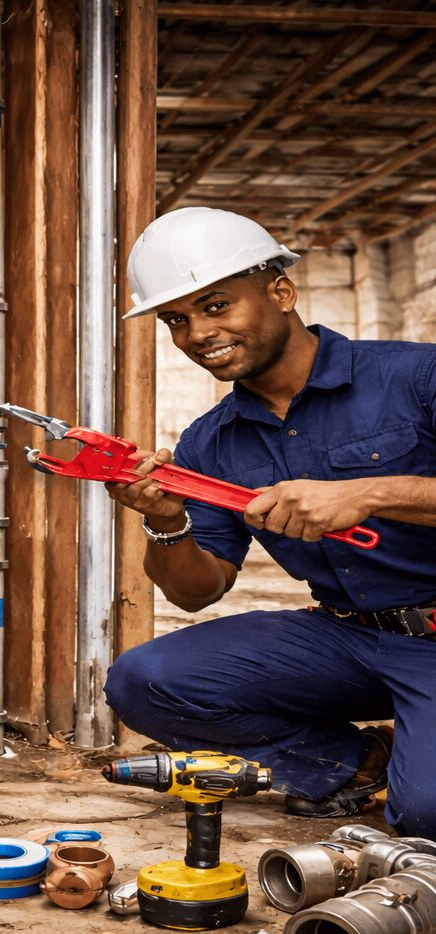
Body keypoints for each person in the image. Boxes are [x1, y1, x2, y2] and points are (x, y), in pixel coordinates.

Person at [103, 206, 436, 838]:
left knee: (424, 817)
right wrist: (168, 521)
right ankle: (360, 759)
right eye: (177, 319)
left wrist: (371, 493)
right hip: (347, 638)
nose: (198, 333)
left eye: (217, 306)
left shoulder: (417, 376)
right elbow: (197, 591)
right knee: (145, 682)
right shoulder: (210, 444)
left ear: (281, 291)